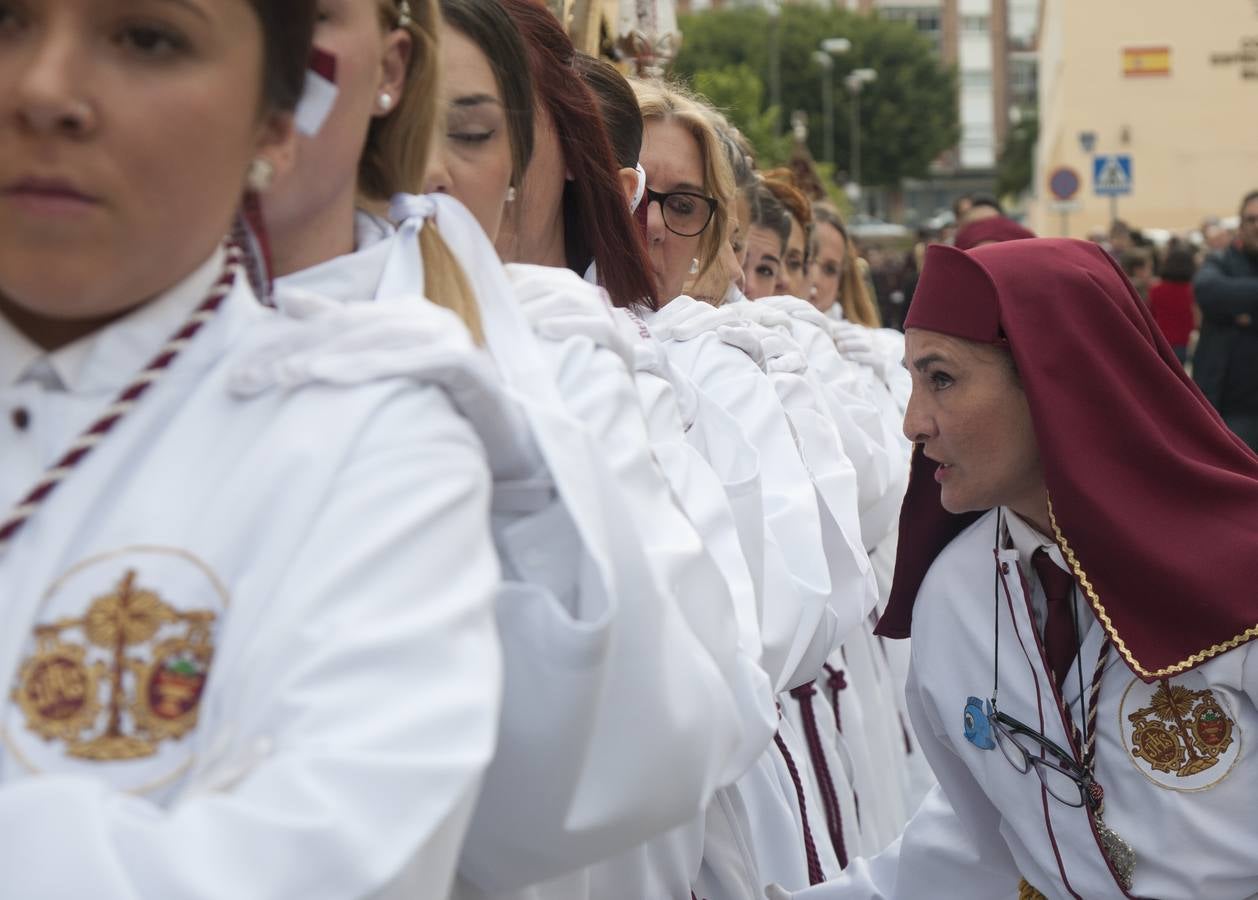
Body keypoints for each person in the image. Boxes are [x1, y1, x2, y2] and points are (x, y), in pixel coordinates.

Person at [0, 0, 508, 896]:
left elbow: (325, 859)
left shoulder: (362, 440)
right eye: (3, 22)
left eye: (147, 37)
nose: (44, 92)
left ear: (276, 123)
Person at [770, 237, 1258, 900]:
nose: (913, 422)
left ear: (1054, 382)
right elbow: (982, 841)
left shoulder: (1242, 570)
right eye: (912, 380)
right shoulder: (955, 593)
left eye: (940, 378)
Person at [1192, 189, 1258, 450]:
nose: (1257, 225)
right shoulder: (1219, 261)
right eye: (1251, 219)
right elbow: (1208, 291)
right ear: (1241, 225)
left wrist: (1243, 310)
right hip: (1229, 410)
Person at [1148, 245, 1198, 364]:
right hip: (1185, 344)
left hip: (1161, 342)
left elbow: (1150, 315)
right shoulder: (1193, 291)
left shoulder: (1155, 290)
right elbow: (1196, 320)